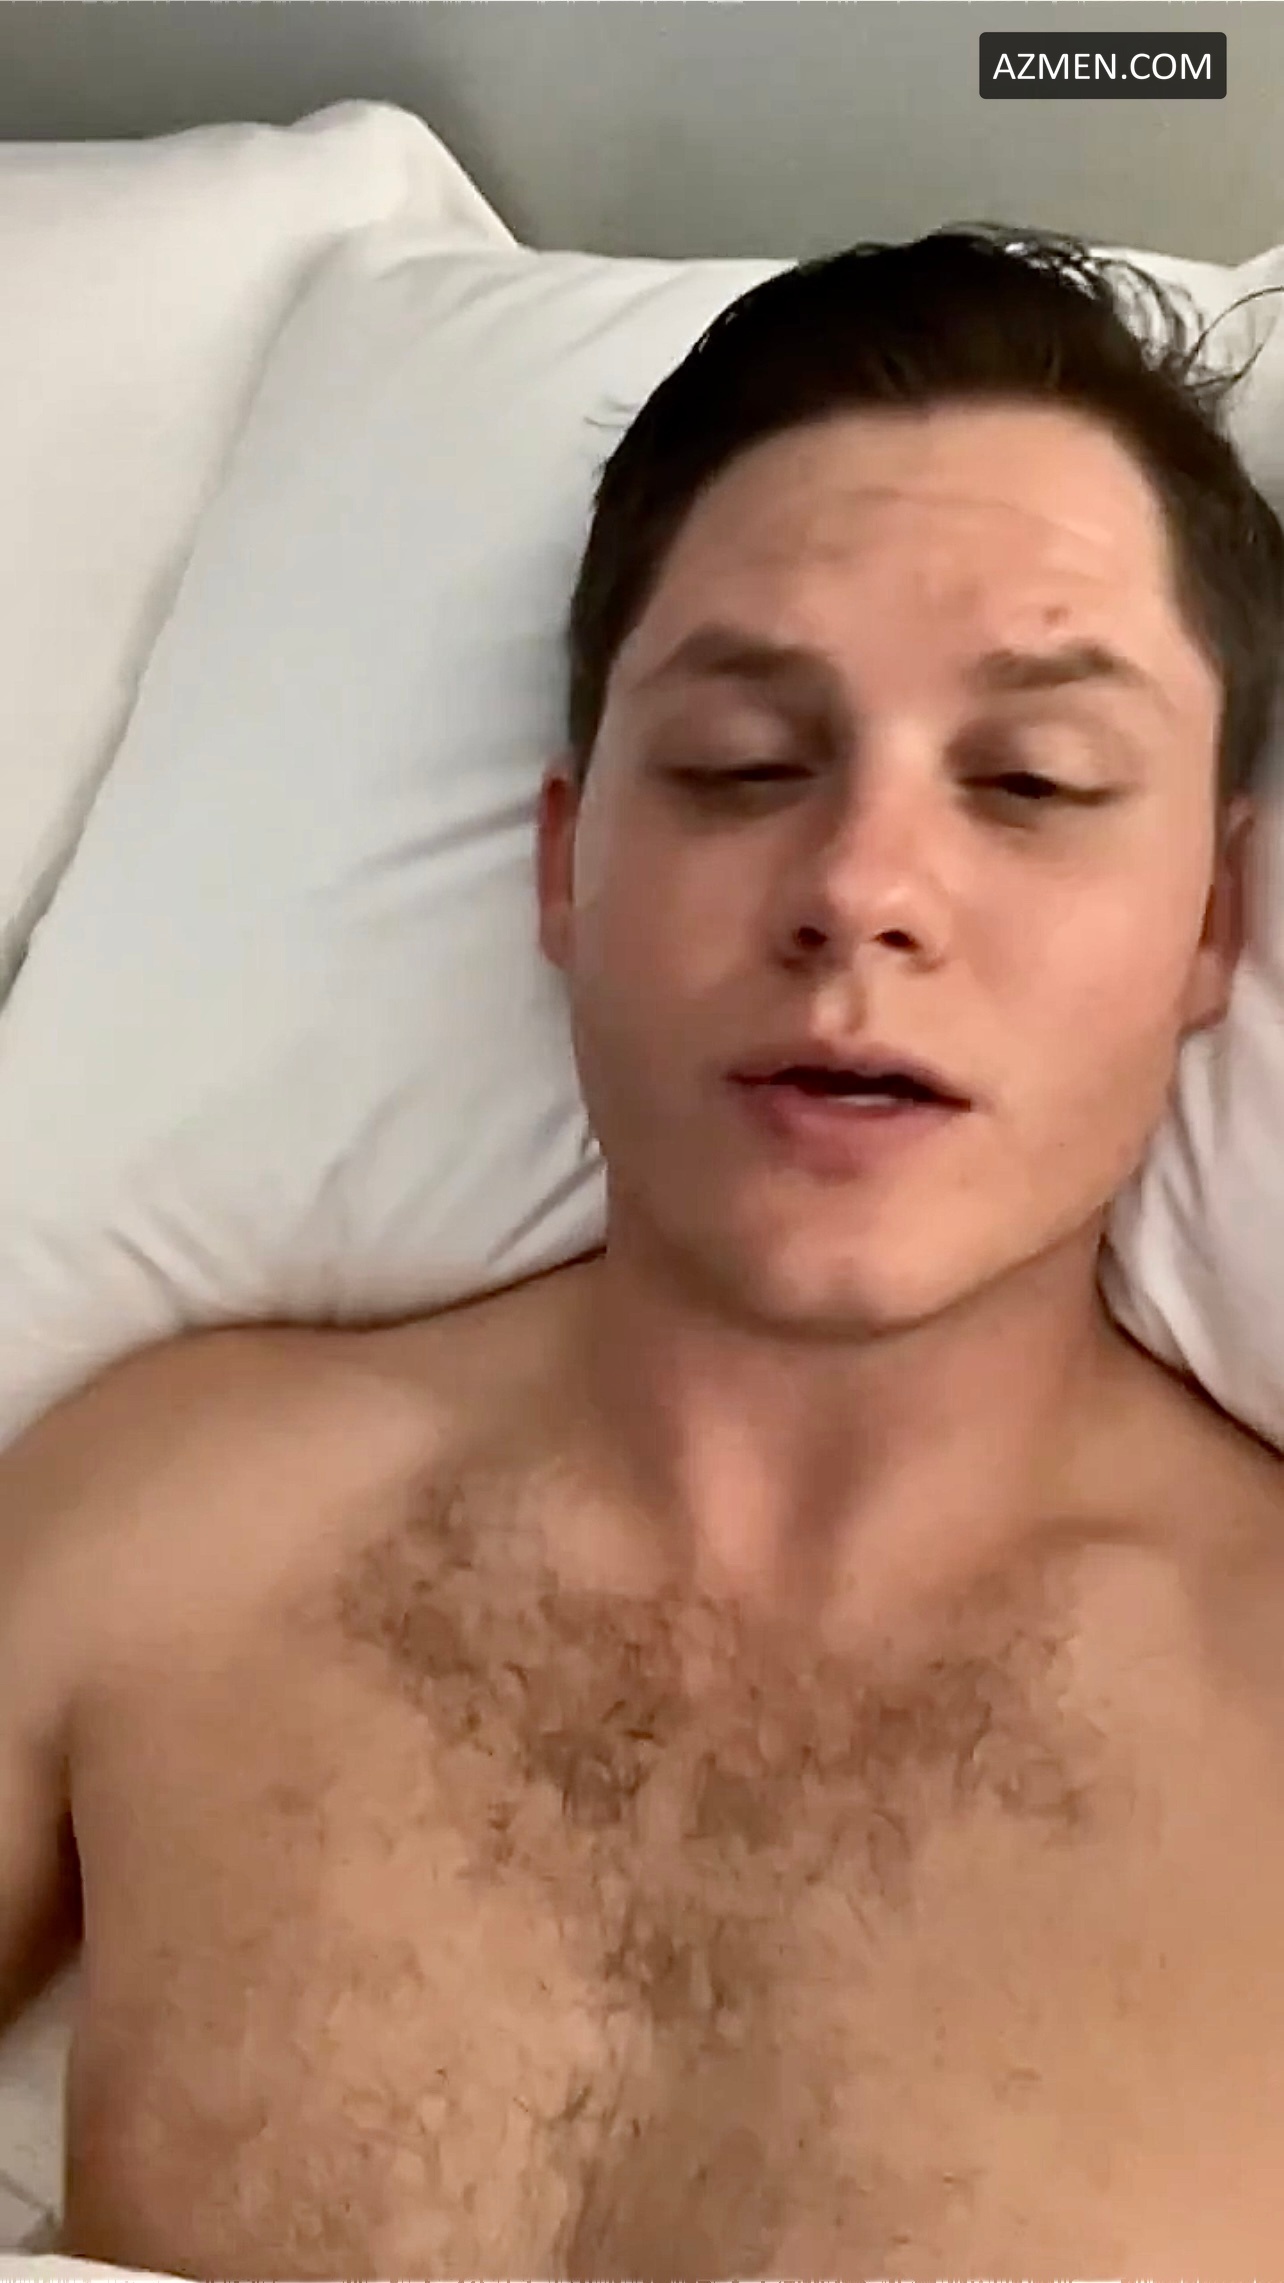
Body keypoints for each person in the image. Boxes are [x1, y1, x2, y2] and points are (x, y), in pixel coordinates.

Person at [3, 224, 1284, 2282]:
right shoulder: (165, 1532)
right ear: (562, 864)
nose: (860, 884)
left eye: (1032, 781)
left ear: (1213, 924)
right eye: (742, 765)